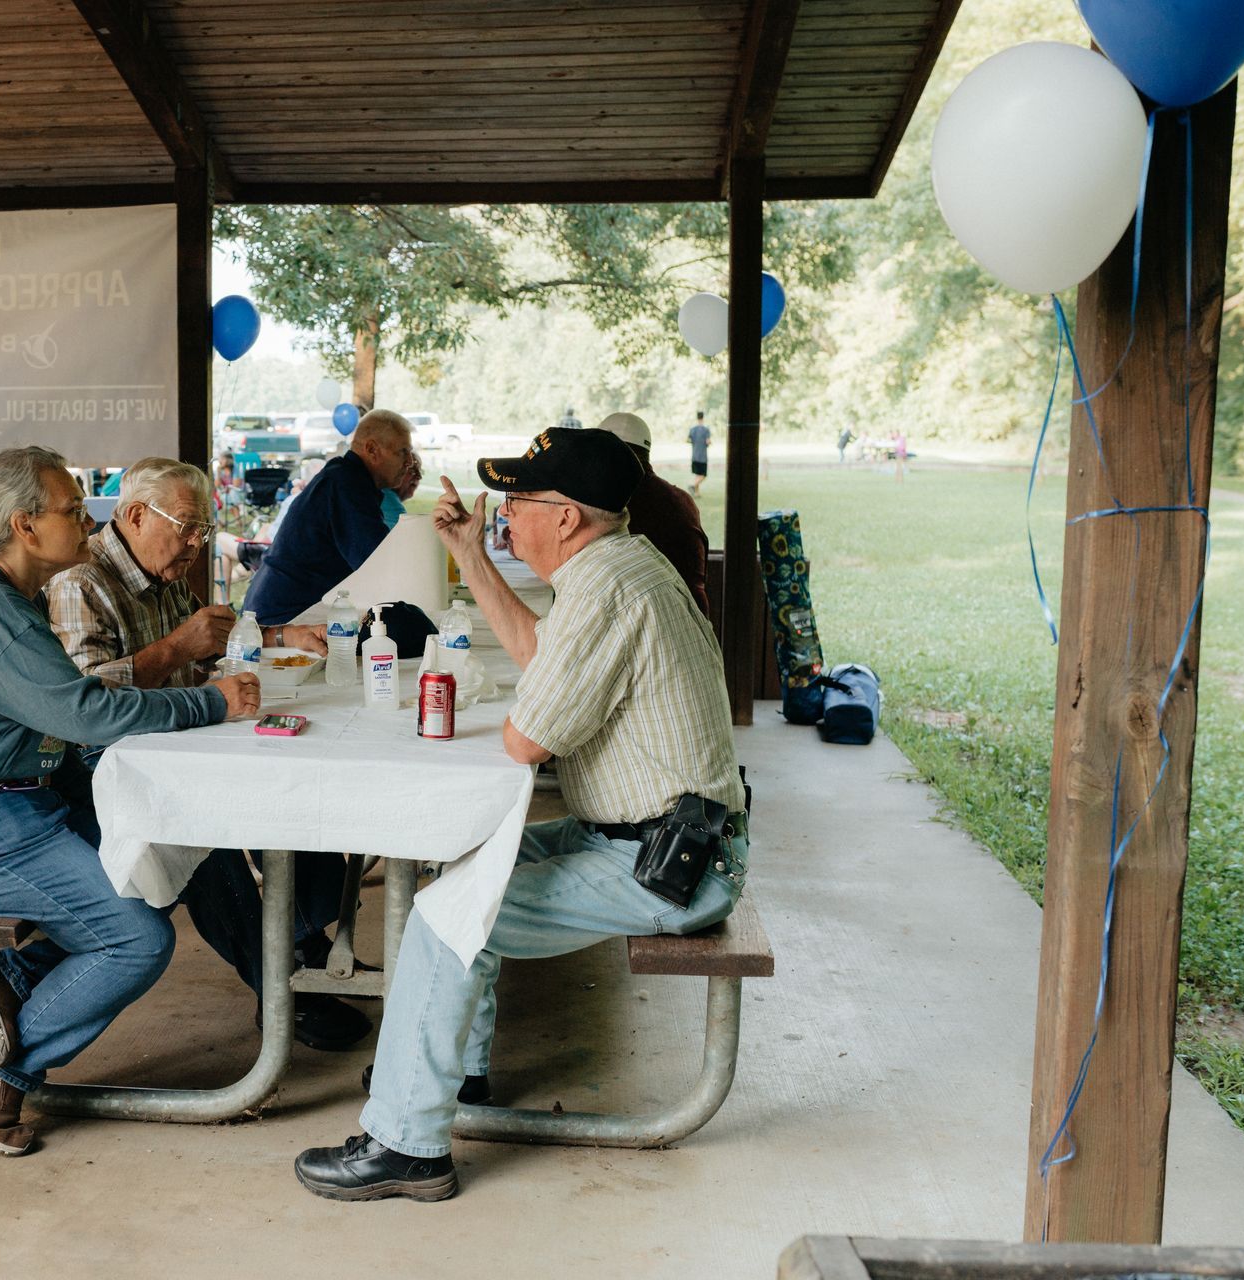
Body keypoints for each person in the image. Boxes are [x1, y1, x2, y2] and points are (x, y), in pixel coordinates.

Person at [294, 427, 748, 1202]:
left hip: (668, 867)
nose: (505, 515)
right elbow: (543, 655)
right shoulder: (615, 567)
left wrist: (525, 706)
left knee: (445, 917)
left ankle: (408, 1145)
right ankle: (451, 1076)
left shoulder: (608, 589)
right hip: (659, 839)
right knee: (465, 867)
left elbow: (522, 740)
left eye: (516, 502)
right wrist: (470, 552)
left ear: (565, 517)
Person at [0, 446, 263, 1156]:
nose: (86, 523)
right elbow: (89, 713)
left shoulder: (10, 600)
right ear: (25, 527)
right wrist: (207, 703)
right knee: (136, 939)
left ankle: (8, 989)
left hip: (7, 809)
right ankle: (0, 1063)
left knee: (160, 852)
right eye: (69, 510)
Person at [46, 457, 366, 1050]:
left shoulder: (159, 571)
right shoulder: (80, 583)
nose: (196, 543)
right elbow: (82, 706)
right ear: (136, 515)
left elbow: (206, 649)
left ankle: (304, 940)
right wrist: (175, 649)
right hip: (97, 769)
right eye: (186, 527)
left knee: (291, 783)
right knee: (199, 832)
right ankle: (282, 988)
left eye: (203, 532)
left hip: (169, 745)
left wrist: (275, 637)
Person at [242, 409, 419, 627]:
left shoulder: (347, 477)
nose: (410, 462)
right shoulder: (347, 485)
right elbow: (379, 565)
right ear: (372, 450)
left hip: (287, 610)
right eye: (403, 452)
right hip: (283, 620)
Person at [598, 411, 711, 617]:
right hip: (696, 622)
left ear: (609, 454)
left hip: (655, 625)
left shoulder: (614, 502)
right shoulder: (682, 498)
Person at [687, 410, 712, 497]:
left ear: (697, 418)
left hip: (694, 456)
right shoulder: (706, 430)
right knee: (703, 475)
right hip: (702, 457)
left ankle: (697, 493)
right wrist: (709, 443)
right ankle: (693, 486)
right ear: (703, 418)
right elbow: (708, 442)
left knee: (697, 474)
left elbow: (688, 440)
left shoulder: (692, 429)